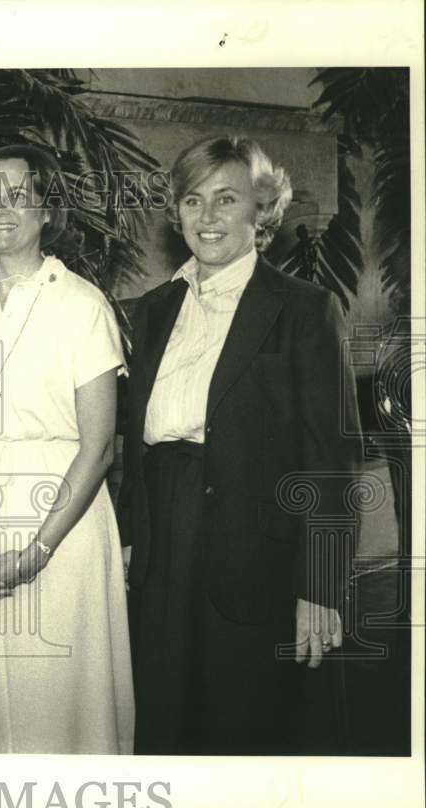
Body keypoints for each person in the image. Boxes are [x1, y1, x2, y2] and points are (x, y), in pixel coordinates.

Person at [119, 135, 361, 755]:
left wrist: (322, 586)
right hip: (161, 553)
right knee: (167, 726)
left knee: (246, 729)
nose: (207, 217)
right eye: (193, 200)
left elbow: (332, 460)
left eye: (227, 200)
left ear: (262, 210)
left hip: (258, 557)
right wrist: (128, 539)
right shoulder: (150, 311)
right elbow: (132, 445)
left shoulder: (306, 309)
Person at [0, 144, 135, 753]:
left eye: (20, 194)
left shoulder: (82, 304)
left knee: (65, 703)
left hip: (62, 519)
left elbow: (97, 448)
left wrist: (39, 548)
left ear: (48, 212)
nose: (2, 206)